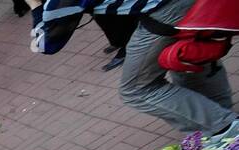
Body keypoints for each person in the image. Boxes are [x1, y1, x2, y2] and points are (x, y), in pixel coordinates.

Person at [34, 0, 237, 141]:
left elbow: (46, 44)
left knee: (136, 90)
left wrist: (34, 5)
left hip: (167, 9)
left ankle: (225, 127)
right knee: (182, 55)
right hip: (189, 6)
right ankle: (219, 112)